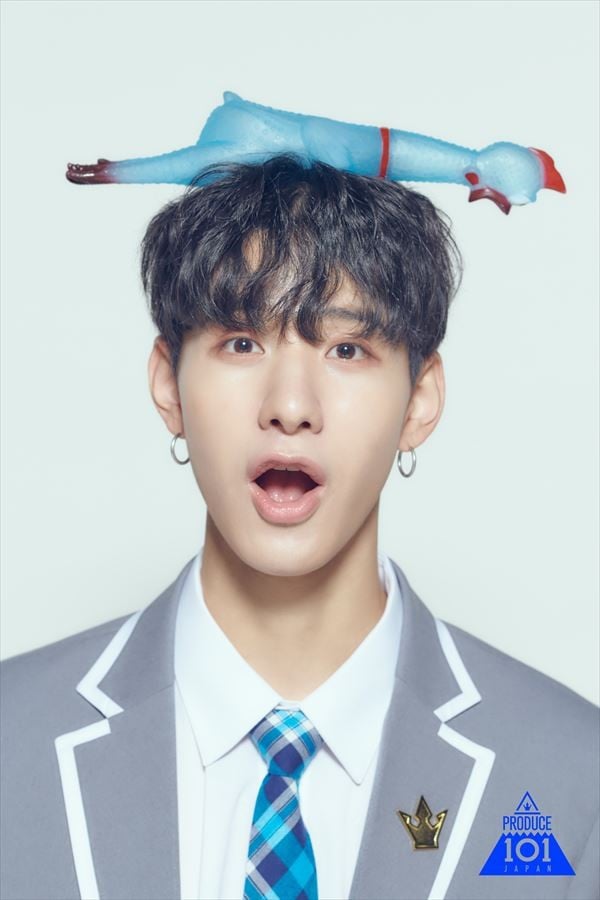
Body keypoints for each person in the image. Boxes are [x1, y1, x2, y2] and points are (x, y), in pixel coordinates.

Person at [1, 155, 597, 900]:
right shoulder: (13, 739)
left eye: (347, 349)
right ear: (169, 386)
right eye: (241, 343)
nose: (290, 405)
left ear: (419, 403)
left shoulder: (573, 774)